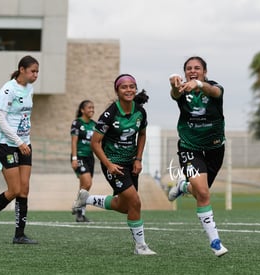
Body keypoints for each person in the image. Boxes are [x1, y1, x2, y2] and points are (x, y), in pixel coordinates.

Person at [73, 74, 156, 255]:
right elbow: (95, 143)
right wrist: (109, 165)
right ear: (117, 91)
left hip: (131, 163)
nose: (129, 90)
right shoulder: (110, 114)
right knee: (135, 202)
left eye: (132, 86)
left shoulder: (140, 111)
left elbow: (142, 135)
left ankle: (86, 199)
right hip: (114, 164)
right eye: (124, 87)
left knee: (126, 206)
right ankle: (140, 247)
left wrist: (138, 159)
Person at [168, 56, 228, 257]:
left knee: (199, 191)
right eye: (188, 69)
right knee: (203, 193)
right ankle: (215, 242)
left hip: (214, 149)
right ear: (184, 72)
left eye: (197, 68)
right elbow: (175, 94)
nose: (192, 71)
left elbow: (214, 91)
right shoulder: (183, 90)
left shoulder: (213, 87)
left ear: (205, 71)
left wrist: (199, 84)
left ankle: (183, 186)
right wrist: (175, 85)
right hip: (189, 147)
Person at [0, 55, 39, 244]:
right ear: (22, 70)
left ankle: (19, 235)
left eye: (37, 71)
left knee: (24, 189)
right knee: (14, 189)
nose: (35, 75)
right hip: (6, 144)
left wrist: (24, 141)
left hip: (24, 144)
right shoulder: (7, 90)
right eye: (32, 71)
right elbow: (0, 120)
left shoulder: (30, 88)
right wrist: (19, 142)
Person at [70, 100, 96, 222]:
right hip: (79, 156)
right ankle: (77, 205)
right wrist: (74, 158)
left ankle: (80, 214)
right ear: (82, 110)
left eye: (93, 108)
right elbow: (74, 142)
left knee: (84, 186)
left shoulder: (94, 125)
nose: (92, 110)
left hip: (90, 158)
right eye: (89, 107)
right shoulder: (77, 123)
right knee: (88, 182)